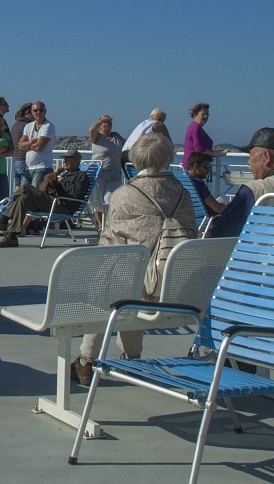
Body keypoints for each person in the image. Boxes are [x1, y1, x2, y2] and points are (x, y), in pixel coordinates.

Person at [70, 134, 198, 384]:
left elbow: (110, 247)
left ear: (136, 159)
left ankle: (86, 361)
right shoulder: (183, 193)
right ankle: (132, 359)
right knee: (133, 279)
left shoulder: (124, 194)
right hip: (176, 287)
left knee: (113, 282)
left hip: (137, 292)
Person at [205, 127, 274, 238]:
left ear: (266, 157)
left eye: (250, 156)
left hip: (255, 250)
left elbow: (221, 233)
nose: (248, 162)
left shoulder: (254, 192)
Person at [0, 150, 90, 247]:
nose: (64, 161)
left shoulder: (81, 176)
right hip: (52, 202)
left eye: (68, 158)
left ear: (77, 160)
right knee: (23, 199)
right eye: (64, 158)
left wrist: (63, 182)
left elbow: (77, 194)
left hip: (63, 206)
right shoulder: (64, 174)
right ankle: (12, 237)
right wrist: (56, 173)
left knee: (26, 187)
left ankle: (3, 219)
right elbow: (46, 184)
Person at [88, 114, 125, 227]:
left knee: (110, 198)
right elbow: (91, 129)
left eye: (109, 122)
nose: (106, 124)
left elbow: (127, 147)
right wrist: (101, 120)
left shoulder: (117, 137)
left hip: (114, 174)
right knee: (97, 200)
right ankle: (100, 224)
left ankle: (109, 223)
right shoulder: (97, 137)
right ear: (99, 124)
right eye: (104, 122)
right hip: (100, 173)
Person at [19, 101, 55, 184]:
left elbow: (38, 147)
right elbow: (20, 146)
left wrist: (27, 145)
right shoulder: (28, 126)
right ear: (32, 112)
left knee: (36, 192)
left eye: (41, 110)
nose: (38, 112)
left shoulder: (48, 126)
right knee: (23, 191)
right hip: (28, 168)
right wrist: (31, 141)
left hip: (42, 167)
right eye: (35, 110)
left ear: (45, 111)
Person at [185, 152, 227, 218]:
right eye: (206, 167)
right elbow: (218, 208)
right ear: (196, 166)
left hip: (188, 219)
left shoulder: (182, 181)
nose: (209, 170)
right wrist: (233, 204)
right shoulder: (198, 184)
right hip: (207, 221)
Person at [183, 102, 222, 167]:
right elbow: (199, 149)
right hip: (195, 167)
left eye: (207, 114)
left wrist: (217, 152)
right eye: (203, 114)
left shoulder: (196, 127)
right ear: (195, 114)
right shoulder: (195, 128)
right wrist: (216, 153)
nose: (205, 116)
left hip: (197, 165)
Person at [10, 103, 33, 187]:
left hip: (15, 158)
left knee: (17, 183)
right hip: (24, 158)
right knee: (25, 185)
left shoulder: (15, 124)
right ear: (29, 113)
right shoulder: (27, 125)